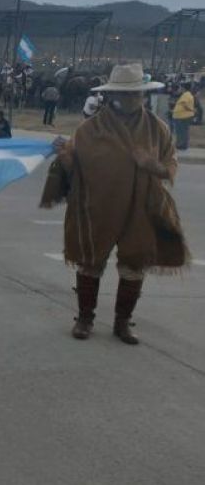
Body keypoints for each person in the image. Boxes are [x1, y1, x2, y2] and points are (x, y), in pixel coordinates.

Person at [42, 64, 190, 344]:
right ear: (111, 95)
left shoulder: (157, 128)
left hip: (142, 206)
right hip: (98, 204)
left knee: (134, 263)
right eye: (124, 94)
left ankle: (123, 321)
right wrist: (64, 155)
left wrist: (152, 165)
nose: (131, 99)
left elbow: (170, 165)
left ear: (143, 95)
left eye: (136, 94)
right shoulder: (90, 128)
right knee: (89, 261)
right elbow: (74, 167)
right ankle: (85, 318)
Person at [171, 82, 197, 150]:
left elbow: (184, 104)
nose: (180, 89)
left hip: (182, 116)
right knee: (184, 131)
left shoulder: (186, 94)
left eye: (181, 88)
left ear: (183, 88)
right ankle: (183, 145)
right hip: (183, 116)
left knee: (181, 132)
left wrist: (191, 109)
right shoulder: (187, 94)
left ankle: (181, 145)